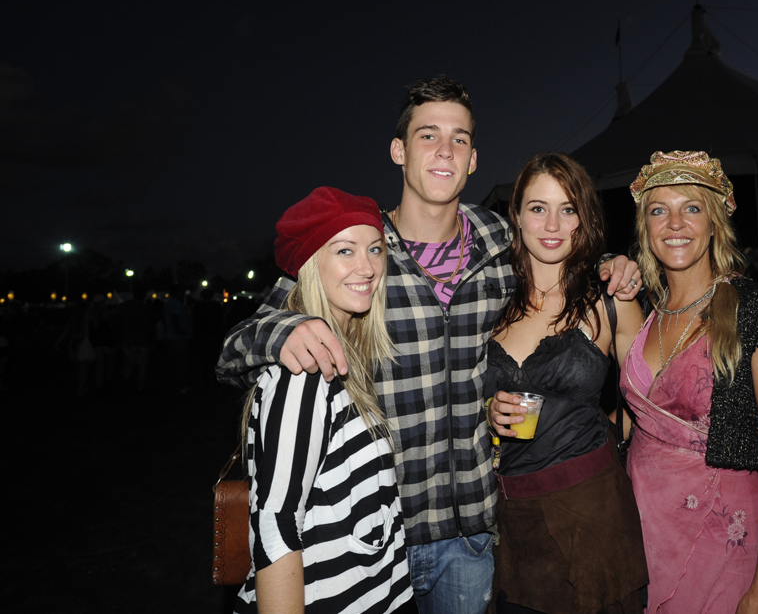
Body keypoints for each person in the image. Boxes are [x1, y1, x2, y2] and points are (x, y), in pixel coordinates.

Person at [217, 76, 642, 614]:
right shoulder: (361, 249)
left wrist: (612, 265)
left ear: (473, 159)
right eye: (428, 135)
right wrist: (284, 331)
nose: (445, 150)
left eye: (459, 139)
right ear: (399, 150)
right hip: (376, 537)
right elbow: (234, 349)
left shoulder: (499, 243)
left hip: (472, 536)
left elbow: (558, 247)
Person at [622, 151, 758, 614]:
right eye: (658, 210)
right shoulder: (645, 311)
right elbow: (636, 416)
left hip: (722, 540)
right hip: (640, 534)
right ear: (645, 228)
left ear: (714, 223)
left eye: (691, 208)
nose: (675, 224)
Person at [234, 186, 412, 614]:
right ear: (311, 264)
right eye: (345, 251)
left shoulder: (346, 355)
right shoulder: (305, 372)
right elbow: (275, 526)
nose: (367, 267)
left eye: (374, 249)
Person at [485, 153, 649, 614]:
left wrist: (606, 436)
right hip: (508, 521)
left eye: (568, 209)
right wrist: (486, 412)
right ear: (517, 216)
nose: (553, 224)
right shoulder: (489, 303)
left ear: (584, 218)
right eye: (538, 208)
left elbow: (653, 404)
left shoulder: (611, 301)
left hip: (591, 513)